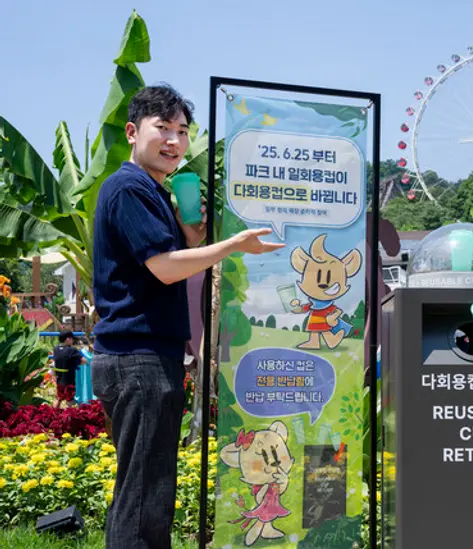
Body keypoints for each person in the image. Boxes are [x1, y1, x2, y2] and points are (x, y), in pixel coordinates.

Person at [91, 84, 284, 549]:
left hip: (143, 357)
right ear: (132, 131)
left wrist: (191, 238)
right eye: (162, 128)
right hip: (137, 357)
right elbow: (163, 267)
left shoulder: (152, 191)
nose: (174, 141)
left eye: (182, 131)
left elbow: (167, 260)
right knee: (143, 497)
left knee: (147, 492)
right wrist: (233, 245)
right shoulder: (129, 188)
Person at [52, 330, 85, 408]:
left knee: (59, 398)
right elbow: (84, 361)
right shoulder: (72, 350)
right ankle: (69, 414)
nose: (73, 341)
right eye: (72, 339)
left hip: (59, 378)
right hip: (69, 379)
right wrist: (75, 363)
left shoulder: (56, 348)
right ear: (67, 339)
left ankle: (54, 412)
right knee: (70, 400)